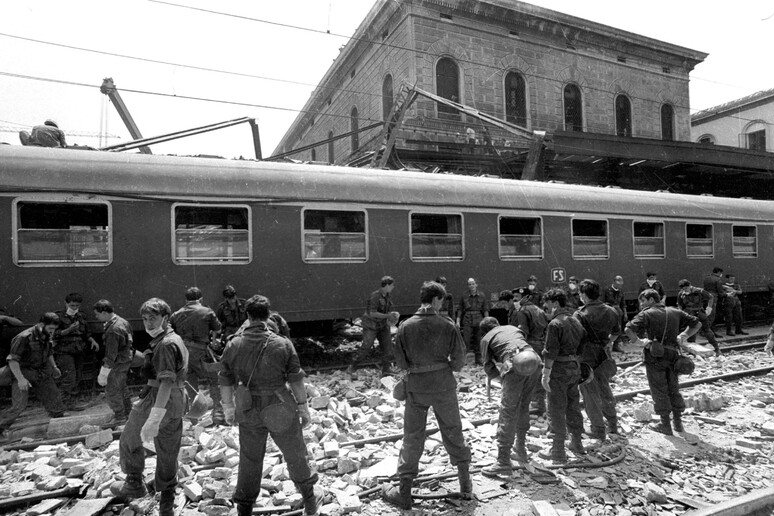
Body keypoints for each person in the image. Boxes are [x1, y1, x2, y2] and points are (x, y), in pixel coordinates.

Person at [218, 295, 323, 516]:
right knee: (295, 453)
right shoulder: (282, 343)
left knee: (250, 458)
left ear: (247, 316)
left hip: (248, 409)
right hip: (280, 406)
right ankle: (310, 501)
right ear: (268, 316)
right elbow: (296, 379)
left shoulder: (233, 343)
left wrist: (228, 408)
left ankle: (244, 509)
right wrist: (303, 407)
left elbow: (225, 379)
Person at [382, 281, 471, 510]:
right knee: (453, 430)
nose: (442, 305)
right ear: (435, 300)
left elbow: (400, 362)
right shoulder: (448, 325)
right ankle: (465, 486)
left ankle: (404, 493)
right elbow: (460, 362)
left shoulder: (405, 326)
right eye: (441, 301)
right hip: (443, 387)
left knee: (412, 437)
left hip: (417, 389)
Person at [111, 298, 189, 516]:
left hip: (158, 400)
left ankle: (134, 483)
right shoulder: (174, 339)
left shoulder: (164, 344)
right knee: (168, 450)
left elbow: (165, 381)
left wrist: (154, 416)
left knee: (129, 439)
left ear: (165, 318)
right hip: (176, 402)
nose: (148, 323)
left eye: (152, 318)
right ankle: (167, 502)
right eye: (144, 318)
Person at [625, 289, 700, 435]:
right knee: (674, 387)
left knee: (659, 389)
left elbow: (628, 329)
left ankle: (665, 425)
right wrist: (683, 336)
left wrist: (640, 342)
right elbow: (697, 324)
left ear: (651, 300)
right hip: (673, 355)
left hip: (655, 356)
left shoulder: (646, 314)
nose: (641, 304)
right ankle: (678, 424)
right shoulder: (675, 311)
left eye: (643, 301)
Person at [478, 317, 541, 476]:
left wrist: (502, 380)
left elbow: (488, 366)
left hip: (514, 363)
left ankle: (503, 461)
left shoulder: (487, 338)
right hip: (534, 361)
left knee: (507, 411)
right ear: (497, 324)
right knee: (523, 407)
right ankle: (520, 448)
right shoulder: (513, 328)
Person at [0, 313, 66, 438]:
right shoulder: (24, 337)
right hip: (21, 372)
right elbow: (13, 361)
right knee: (19, 405)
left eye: (54, 329)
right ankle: (1, 427)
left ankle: (59, 424)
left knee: (54, 398)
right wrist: (20, 379)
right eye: (50, 329)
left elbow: (49, 352)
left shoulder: (46, 334)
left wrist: (54, 367)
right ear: (42, 324)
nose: (52, 332)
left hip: (40, 372)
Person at [539, 288, 586, 462]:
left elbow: (550, 352)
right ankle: (577, 443)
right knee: (573, 405)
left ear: (556, 304)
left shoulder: (555, 324)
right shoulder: (576, 321)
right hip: (574, 367)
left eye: (548, 305)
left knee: (555, 408)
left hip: (559, 369)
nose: (546, 308)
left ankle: (557, 450)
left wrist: (545, 374)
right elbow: (582, 347)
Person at [575, 279, 621, 440]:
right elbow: (616, 333)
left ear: (584, 295)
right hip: (604, 354)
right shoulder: (611, 310)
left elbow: (575, 338)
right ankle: (613, 423)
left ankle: (598, 429)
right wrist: (608, 343)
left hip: (586, 355)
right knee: (605, 388)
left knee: (589, 393)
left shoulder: (580, 314)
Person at [170, 287, 223, 423]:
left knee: (189, 382)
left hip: (184, 354)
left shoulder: (176, 314)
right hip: (202, 352)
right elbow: (218, 328)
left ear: (186, 300)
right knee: (213, 380)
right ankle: (217, 411)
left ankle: (193, 415)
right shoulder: (207, 311)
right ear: (201, 299)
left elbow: (170, 332)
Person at [54, 292, 99, 410]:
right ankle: (60, 405)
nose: (74, 308)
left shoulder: (81, 316)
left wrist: (92, 341)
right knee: (69, 378)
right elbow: (54, 334)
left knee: (77, 377)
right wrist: (69, 329)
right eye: (72, 305)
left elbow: (86, 333)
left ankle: (71, 404)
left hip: (78, 350)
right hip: (64, 350)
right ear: (66, 303)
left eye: (77, 306)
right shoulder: (57, 316)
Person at [94, 299, 134, 427]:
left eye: (97, 314)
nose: (96, 316)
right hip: (125, 360)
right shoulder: (123, 322)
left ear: (104, 312)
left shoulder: (113, 329)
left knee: (112, 390)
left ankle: (120, 417)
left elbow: (111, 355)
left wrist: (104, 372)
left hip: (117, 363)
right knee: (122, 387)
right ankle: (129, 413)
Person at [348, 276, 399, 377]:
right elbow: (372, 313)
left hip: (382, 325)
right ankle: (352, 367)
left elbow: (384, 310)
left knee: (387, 347)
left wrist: (391, 314)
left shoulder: (387, 296)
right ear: (387, 285)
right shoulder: (375, 296)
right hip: (371, 325)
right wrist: (387, 316)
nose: (393, 287)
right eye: (392, 285)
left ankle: (386, 369)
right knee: (366, 347)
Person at [511, 286, 548, 414]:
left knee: (529, 375)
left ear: (526, 297)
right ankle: (540, 403)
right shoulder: (540, 310)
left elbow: (523, 332)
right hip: (541, 345)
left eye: (517, 297)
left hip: (529, 346)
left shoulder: (522, 311)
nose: (515, 300)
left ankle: (533, 404)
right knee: (539, 374)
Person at [676, 280, 720, 355]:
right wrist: (680, 313)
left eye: (686, 288)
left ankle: (717, 349)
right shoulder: (681, 294)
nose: (685, 290)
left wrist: (709, 308)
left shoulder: (699, 291)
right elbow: (679, 304)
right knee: (691, 332)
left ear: (690, 285)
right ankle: (692, 351)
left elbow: (710, 297)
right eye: (683, 289)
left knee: (707, 331)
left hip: (699, 312)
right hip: (689, 314)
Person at [456, 278, 489, 366]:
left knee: (478, 339)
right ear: (468, 286)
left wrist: (487, 320)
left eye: (473, 283)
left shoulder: (482, 295)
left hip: (479, 318)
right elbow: (460, 309)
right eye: (469, 284)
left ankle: (479, 359)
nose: (471, 285)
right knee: (466, 340)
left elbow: (485, 309)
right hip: (467, 319)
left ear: (476, 284)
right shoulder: (464, 295)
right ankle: (464, 360)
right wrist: (458, 320)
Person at [603, 276, 628, 352]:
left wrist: (625, 313)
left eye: (621, 282)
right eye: (619, 281)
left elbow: (623, 303)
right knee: (609, 329)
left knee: (618, 329)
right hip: (609, 312)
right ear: (614, 281)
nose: (620, 284)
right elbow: (603, 302)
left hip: (618, 312)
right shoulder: (607, 290)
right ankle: (606, 347)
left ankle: (616, 346)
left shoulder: (621, 291)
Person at [703, 267, 725, 337]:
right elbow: (720, 292)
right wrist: (727, 294)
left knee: (707, 315)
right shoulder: (718, 280)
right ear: (718, 272)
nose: (721, 274)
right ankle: (707, 333)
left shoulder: (707, 278)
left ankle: (708, 331)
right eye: (721, 273)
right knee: (711, 316)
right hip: (713, 298)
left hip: (706, 297)